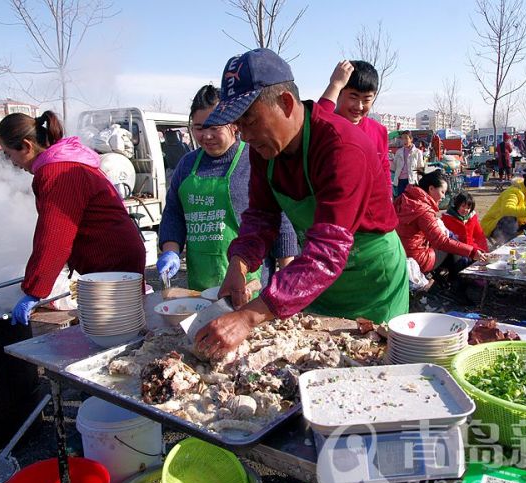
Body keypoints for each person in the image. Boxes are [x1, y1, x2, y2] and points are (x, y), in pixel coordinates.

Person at [194, 48, 409, 359]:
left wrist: (248, 316)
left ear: (285, 103)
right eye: (238, 125)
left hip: (372, 282)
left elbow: (329, 250)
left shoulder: (342, 147)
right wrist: (239, 263)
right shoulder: (263, 150)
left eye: (250, 120)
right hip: (314, 281)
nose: (244, 136)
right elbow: (260, 216)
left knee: (370, 369)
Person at [0, 111, 146, 325]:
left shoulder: (57, 171)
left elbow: (55, 237)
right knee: (121, 324)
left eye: (9, 154)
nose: (12, 163)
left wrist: (34, 291)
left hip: (112, 260)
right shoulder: (63, 162)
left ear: (27, 146)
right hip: (112, 254)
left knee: (115, 327)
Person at [157, 85, 298, 291]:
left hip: (251, 285)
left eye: (214, 127)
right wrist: (171, 251)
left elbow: (282, 222)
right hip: (201, 288)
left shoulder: (255, 160)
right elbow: (173, 214)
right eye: (199, 127)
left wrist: (288, 281)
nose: (206, 135)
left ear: (234, 125)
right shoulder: (186, 165)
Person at [395, 171, 488, 275]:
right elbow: (441, 242)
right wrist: (472, 252)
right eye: (442, 192)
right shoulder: (423, 210)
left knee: (450, 242)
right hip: (417, 259)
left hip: (399, 254)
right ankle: (460, 284)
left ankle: (448, 281)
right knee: (451, 249)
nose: (444, 197)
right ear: (431, 189)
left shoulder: (403, 199)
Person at [318, 60, 391, 190]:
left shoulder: (379, 131)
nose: (359, 106)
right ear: (339, 93)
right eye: (353, 97)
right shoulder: (327, 125)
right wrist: (334, 84)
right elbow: (315, 123)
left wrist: (388, 200)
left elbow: (384, 169)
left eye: (367, 99)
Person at [480, 172, 526, 246]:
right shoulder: (513, 192)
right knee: (510, 218)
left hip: (517, 225)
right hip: (493, 225)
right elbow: (507, 210)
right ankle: (510, 244)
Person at [392, 130, 424, 196]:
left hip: (411, 181)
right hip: (400, 181)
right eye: (402, 138)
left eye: (406, 138)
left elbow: (420, 168)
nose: (404, 140)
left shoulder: (417, 152)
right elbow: (394, 166)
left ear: (411, 139)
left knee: (411, 201)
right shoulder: (399, 152)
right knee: (401, 200)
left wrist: (420, 182)